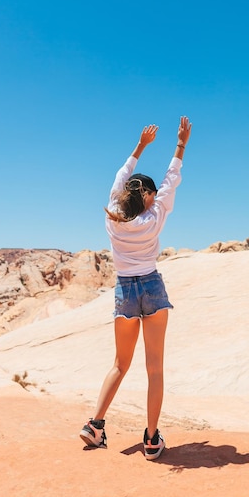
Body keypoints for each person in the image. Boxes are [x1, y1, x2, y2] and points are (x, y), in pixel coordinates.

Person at [80, 116, 192, 460]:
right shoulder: (155, 215)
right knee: (154, 367)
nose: (157, 195)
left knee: (119, 363)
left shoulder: (112, 217)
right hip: (152, 288)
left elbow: (120, 178)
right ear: (145, 195)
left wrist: (141, 146)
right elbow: (172, 179)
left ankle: (95, 425)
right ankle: (152, 439)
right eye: (153, 193)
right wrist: (181, 143)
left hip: (125, 290)